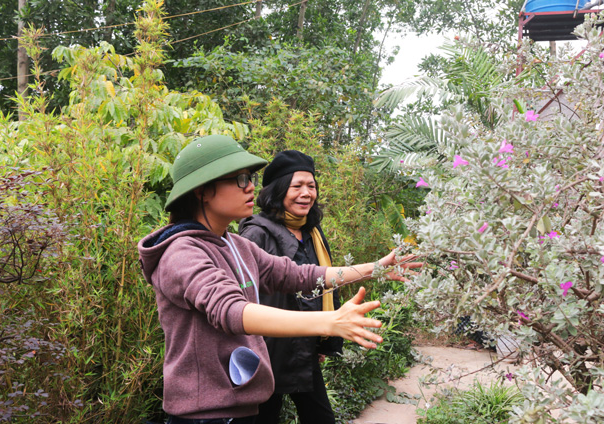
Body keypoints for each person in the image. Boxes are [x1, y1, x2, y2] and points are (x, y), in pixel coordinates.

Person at [137, 135, 420, 424]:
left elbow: (299, 275)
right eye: (240, 179)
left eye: (250, 178)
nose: (250, 186)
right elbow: (230, 310)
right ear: (202, 191)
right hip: (204, 414)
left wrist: (375, 268)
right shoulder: (181, 252)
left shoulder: (235, 244)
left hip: (241, 404)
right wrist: (329, 321)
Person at [238, 150, 340, 424]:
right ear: (279, 190)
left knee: (320, 417)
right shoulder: (256, 233)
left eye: (312, 186)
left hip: (302, 347)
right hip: (267, 351)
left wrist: (322, 341)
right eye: (297, 186)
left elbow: (321, 285)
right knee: (263, 417)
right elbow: (241, 294)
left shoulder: (312, 232)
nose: (307, 193)